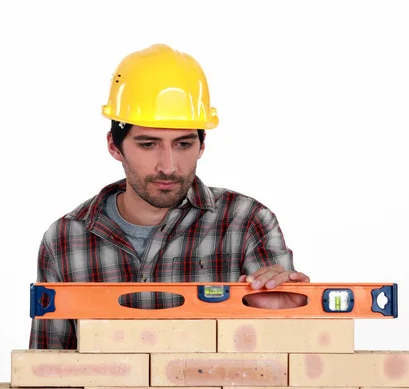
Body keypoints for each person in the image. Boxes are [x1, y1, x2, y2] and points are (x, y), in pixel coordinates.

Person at [29, 43, 310, 350]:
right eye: (149, 144)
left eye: (182, 144)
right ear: (114, 146)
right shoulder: (65, 239)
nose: (169, 166)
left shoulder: (246, 223)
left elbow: (286, 363)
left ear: (202, 145)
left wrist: (291, 314)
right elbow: (48, 369)